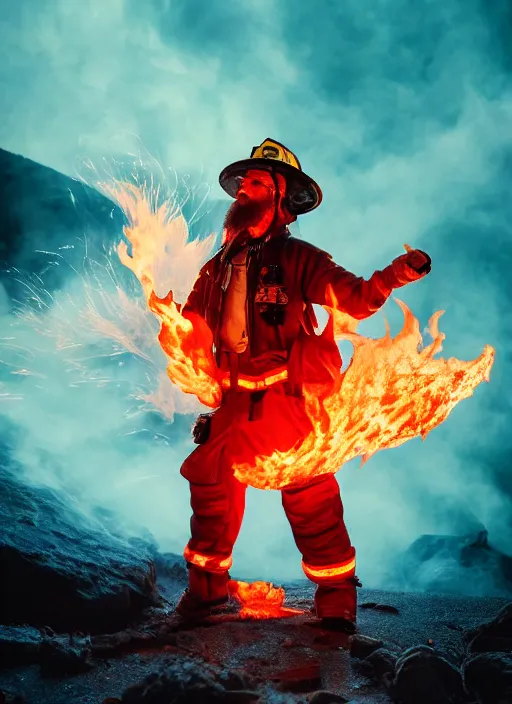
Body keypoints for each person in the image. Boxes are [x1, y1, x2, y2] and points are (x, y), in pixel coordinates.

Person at [175, 138, 431, 631]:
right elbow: (190, 320)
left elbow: (355, 298)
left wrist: (396, 274)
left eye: (256, 183)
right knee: (209, 485)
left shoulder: (299, 259)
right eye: (242, 183)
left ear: (281, 198)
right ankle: (206, 591)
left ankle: (336, 597)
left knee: (309, 492)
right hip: (232, 402)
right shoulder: (217, 266)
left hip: (285, 401)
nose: (243, 191)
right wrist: (183, 341)